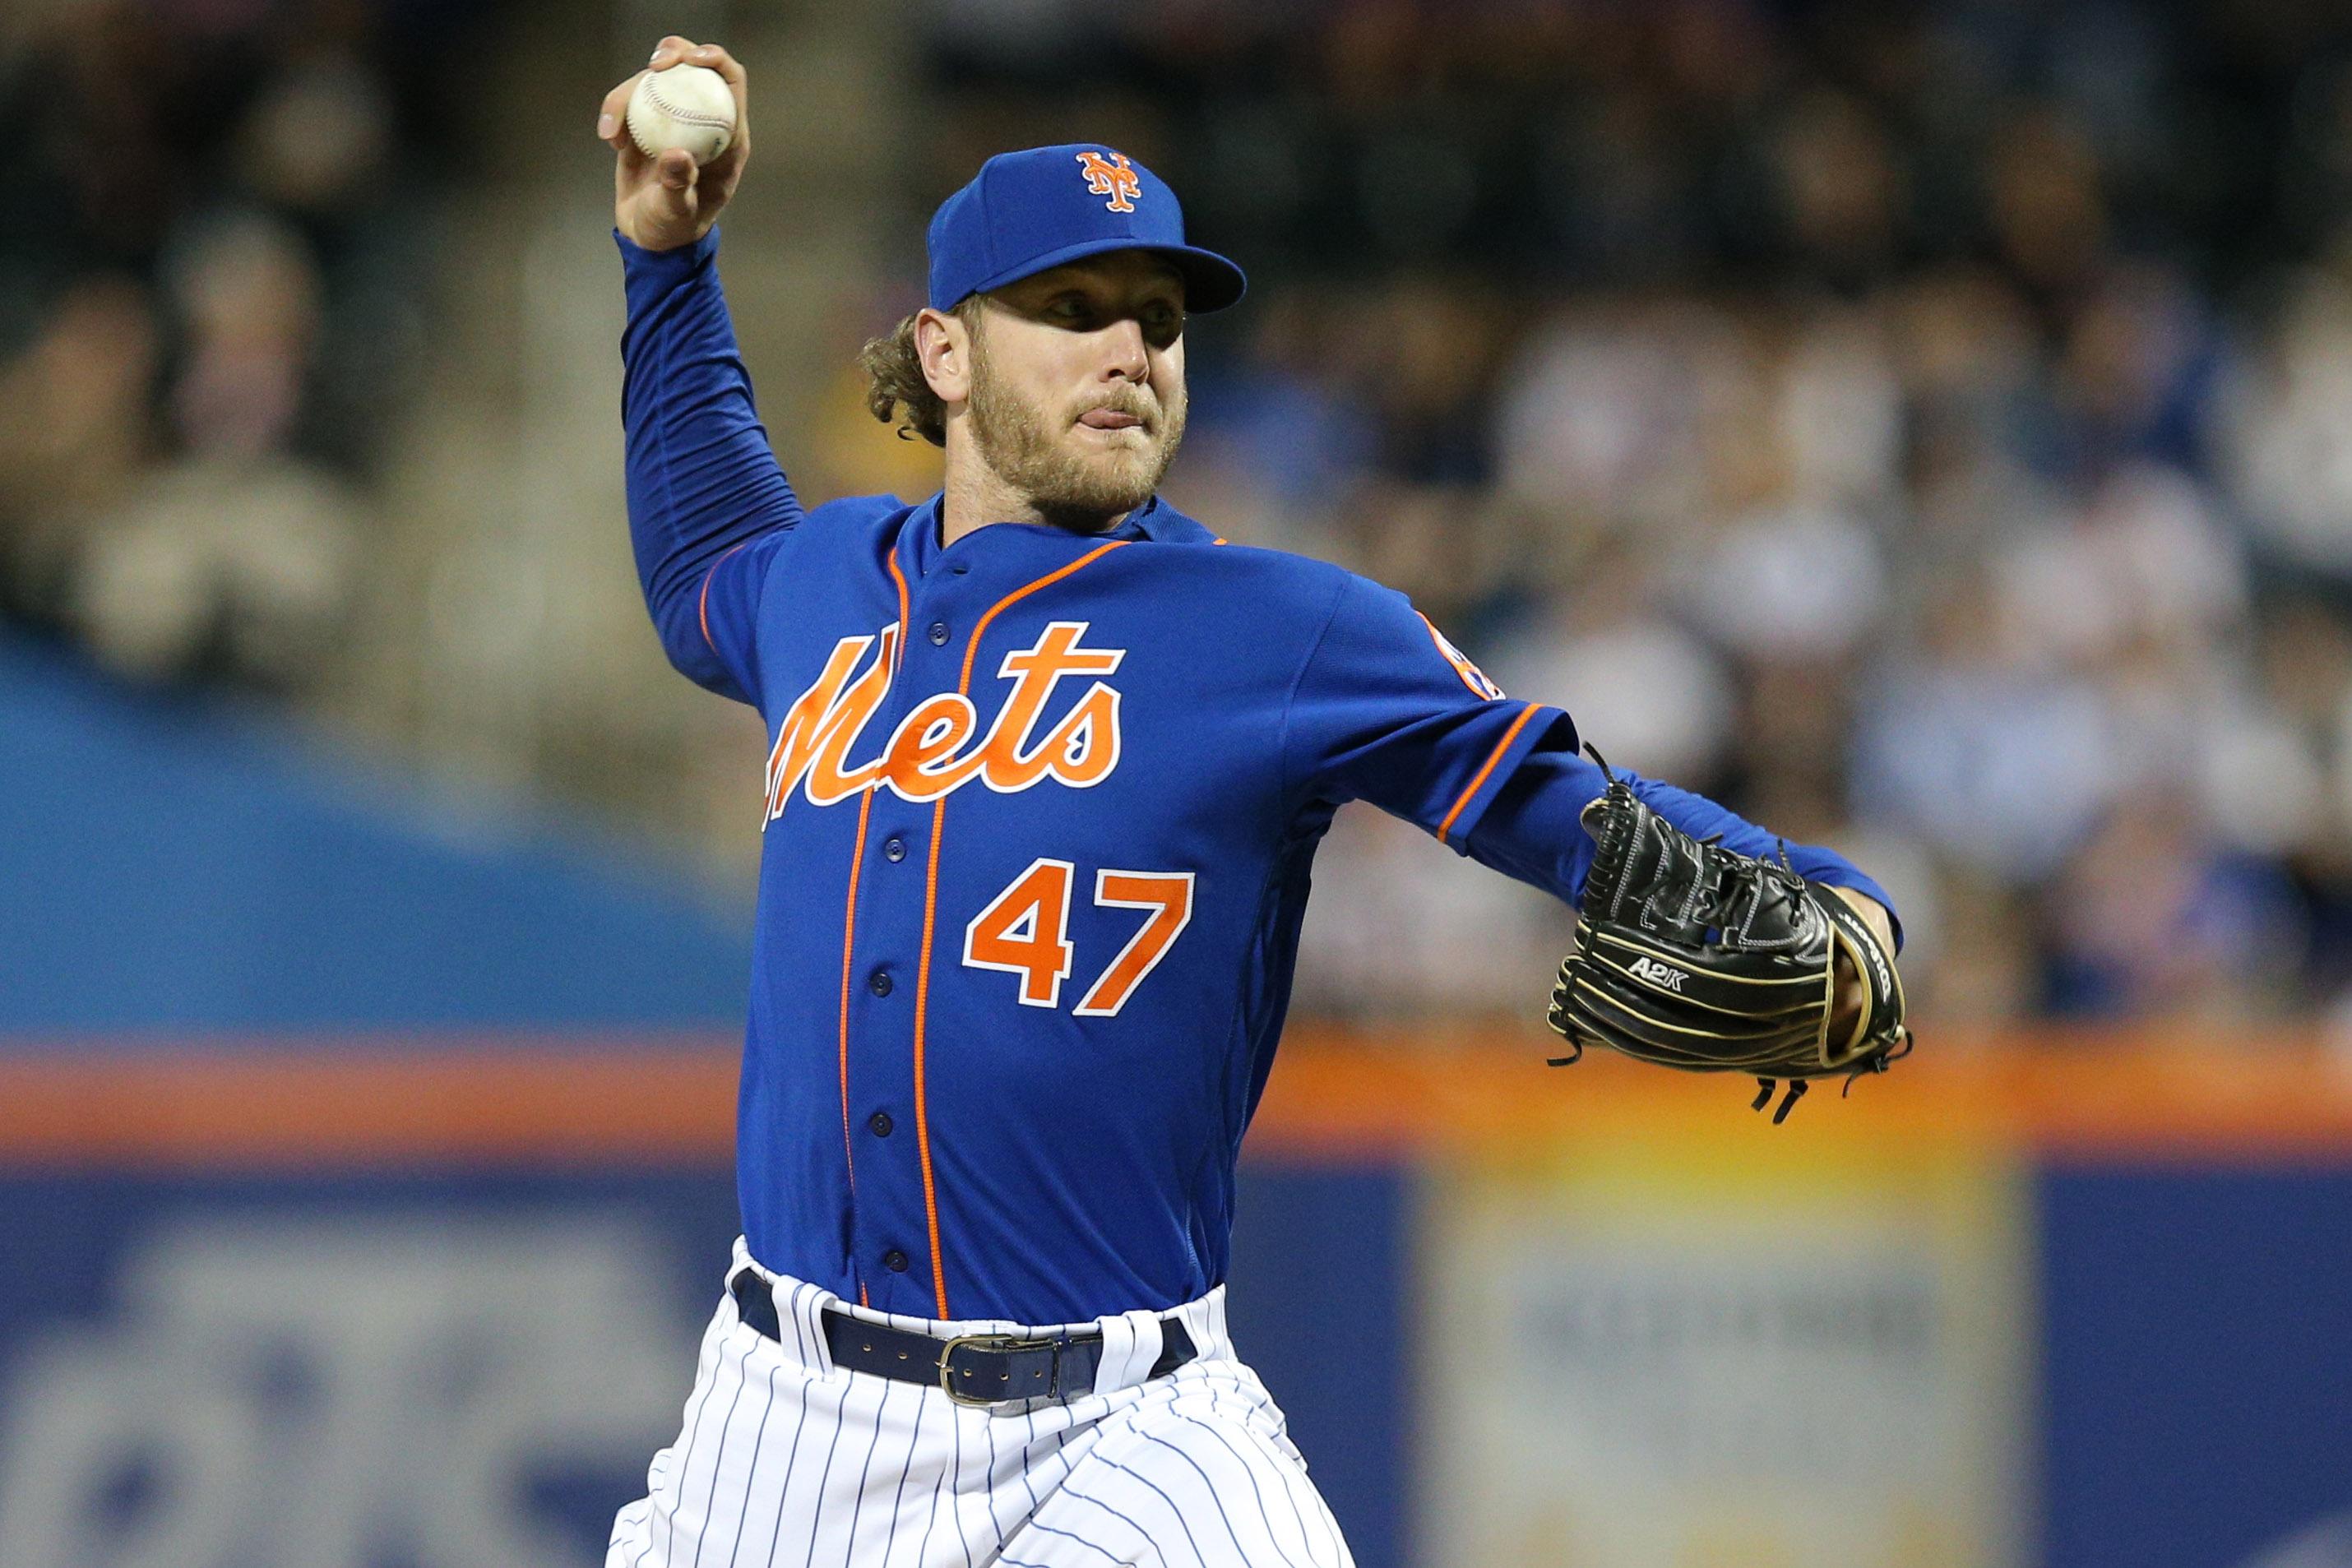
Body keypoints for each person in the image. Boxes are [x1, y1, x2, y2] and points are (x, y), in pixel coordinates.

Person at [598, 36, 1900, 1568]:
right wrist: (669, 262)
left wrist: (1810, 891)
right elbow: (701, 567)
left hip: (1124, 1433)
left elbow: (1557, 798)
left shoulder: (1276, 631)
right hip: (787, 1417)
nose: (1128, 353)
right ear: (942, 354)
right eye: (1072, 313)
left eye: (1157, 320)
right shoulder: (829, 579)